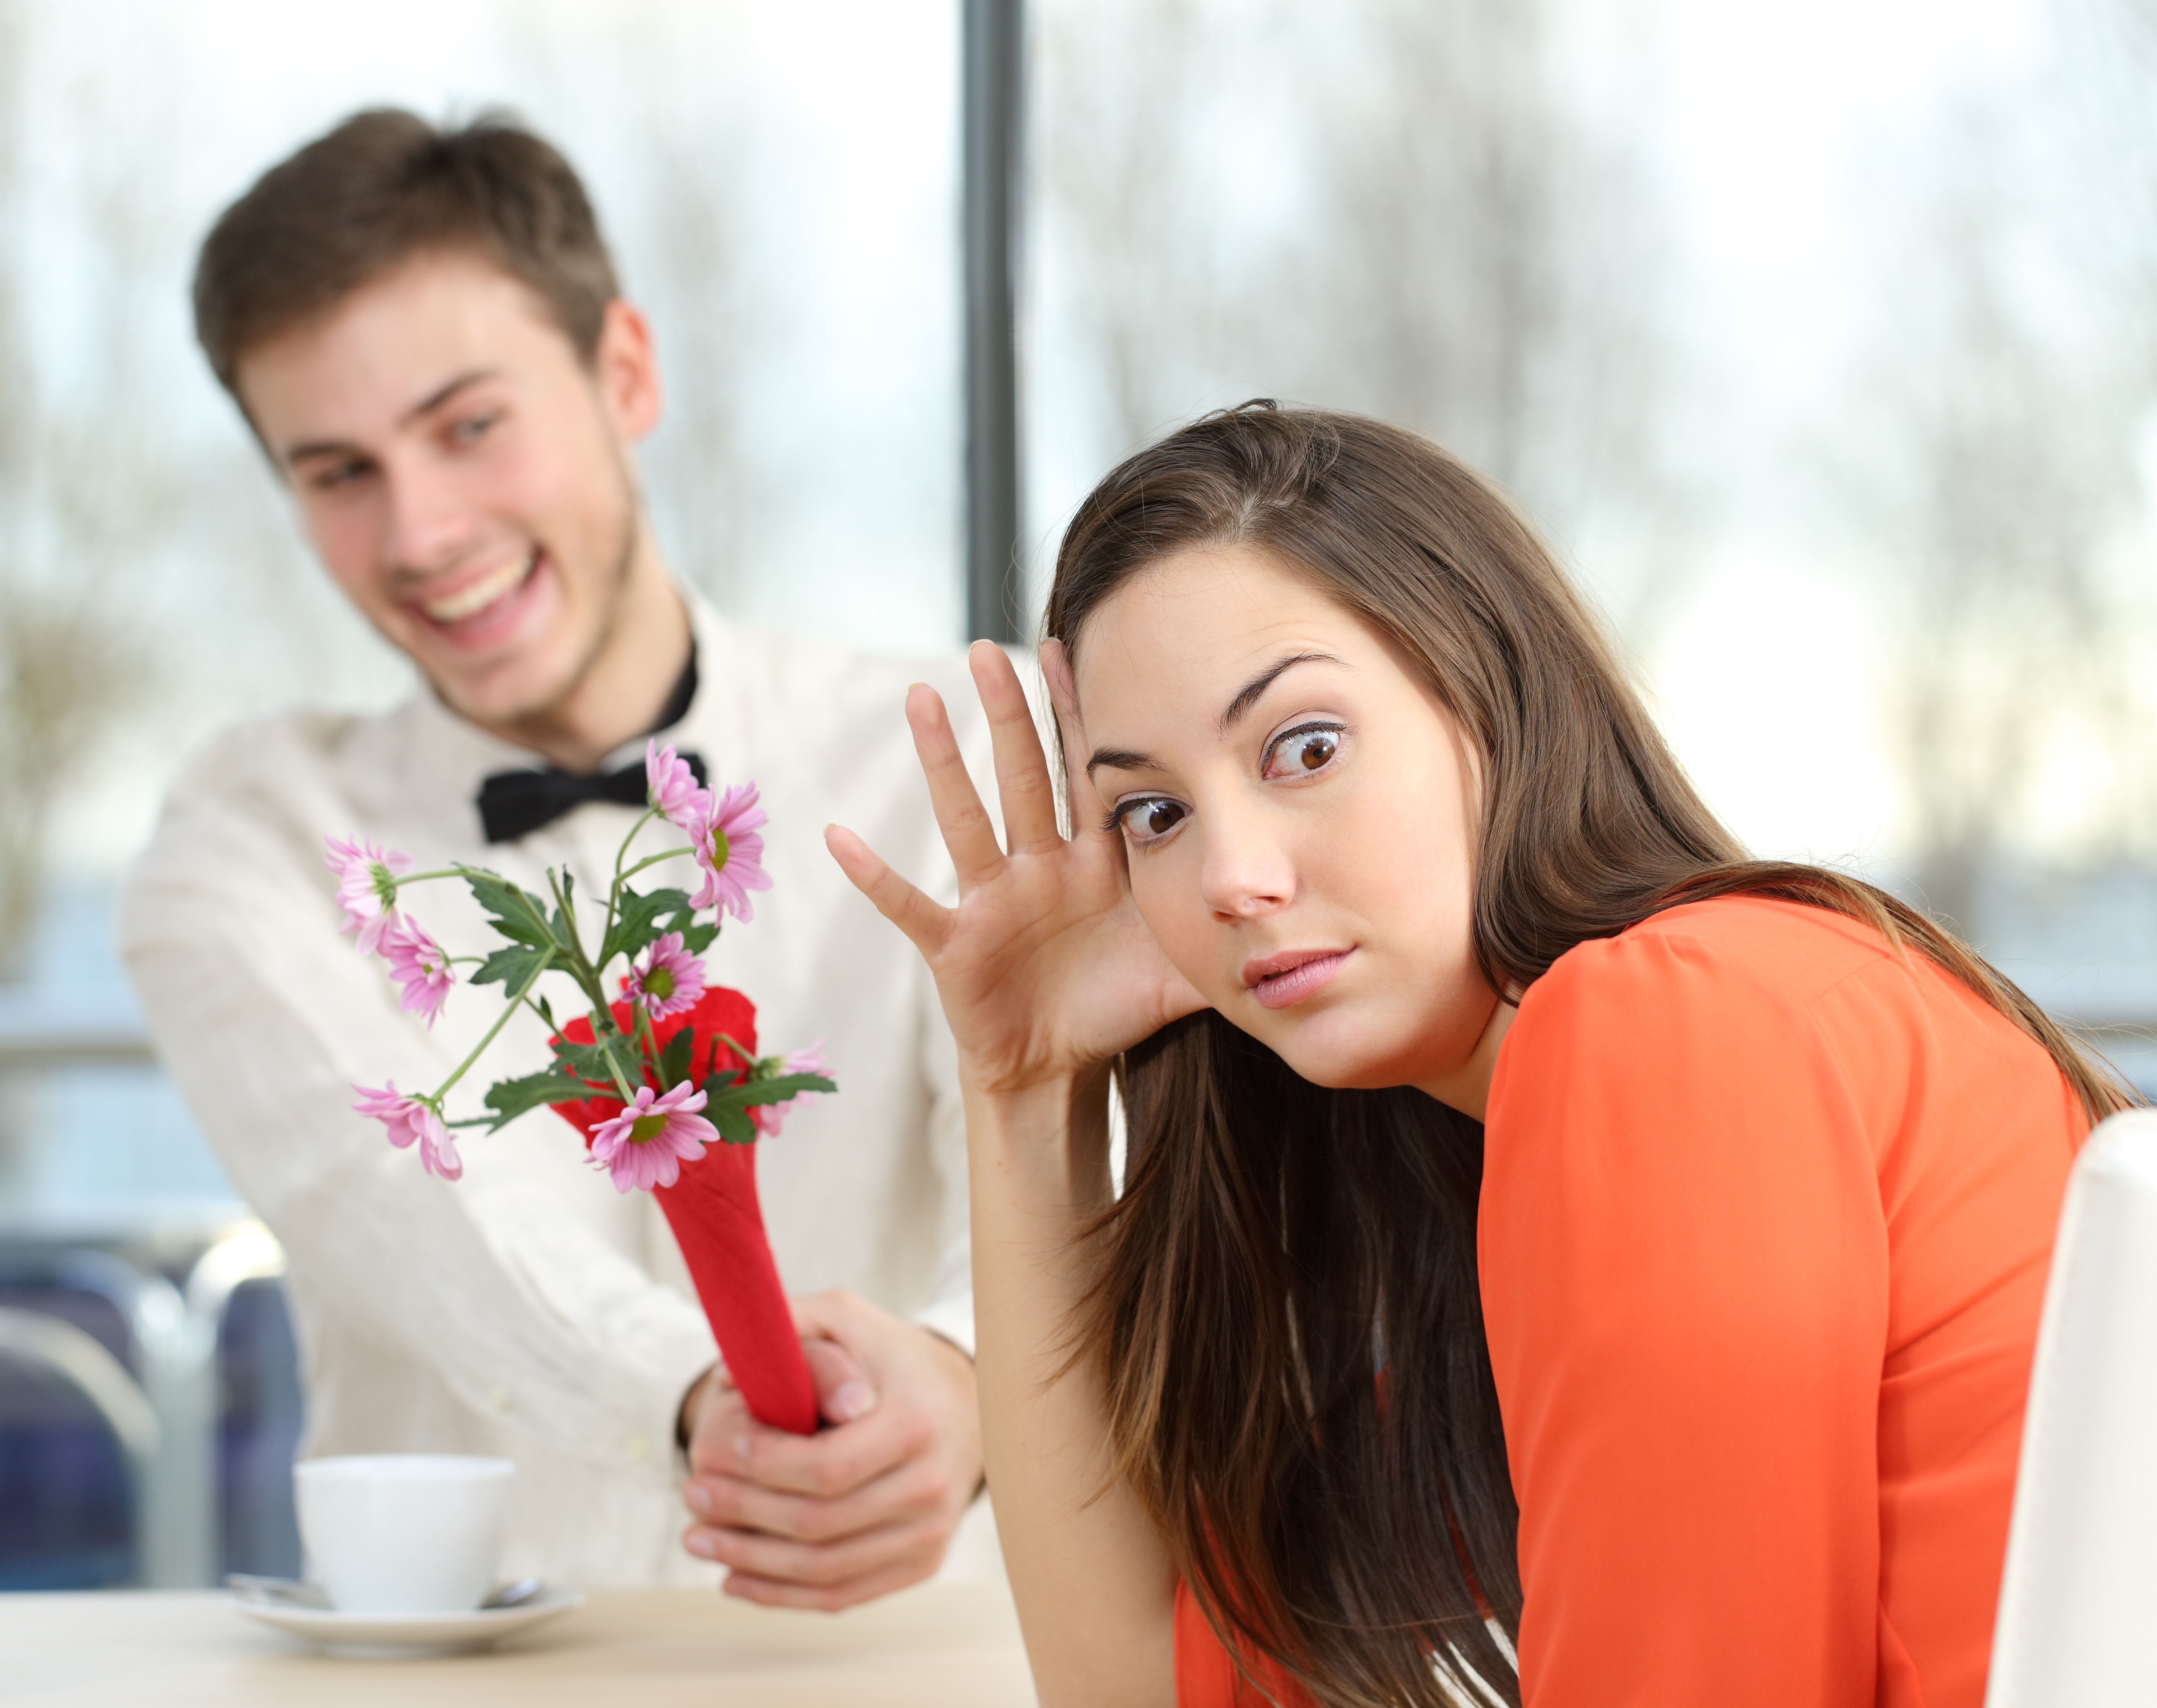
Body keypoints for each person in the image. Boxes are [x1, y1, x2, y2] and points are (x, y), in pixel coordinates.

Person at [829, 404, 2132, 1706]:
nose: (1233, 876)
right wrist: (1024, 1089)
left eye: (1306, 748)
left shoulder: (1670, 1022)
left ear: (1489, 693)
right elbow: (1130, 1692)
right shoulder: (1495, 1151)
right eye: (1155, 815)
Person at [121, 109, 990, 1606]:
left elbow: (1076, 1196)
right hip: (464, 1677)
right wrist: (704, 1405)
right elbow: (411, 1212)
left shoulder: (942, 753)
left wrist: (973, 1389)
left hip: (898, 1669)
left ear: (625, 373)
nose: (424, 530)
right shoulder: (246, 842)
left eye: (470, 426)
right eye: (337, 473)